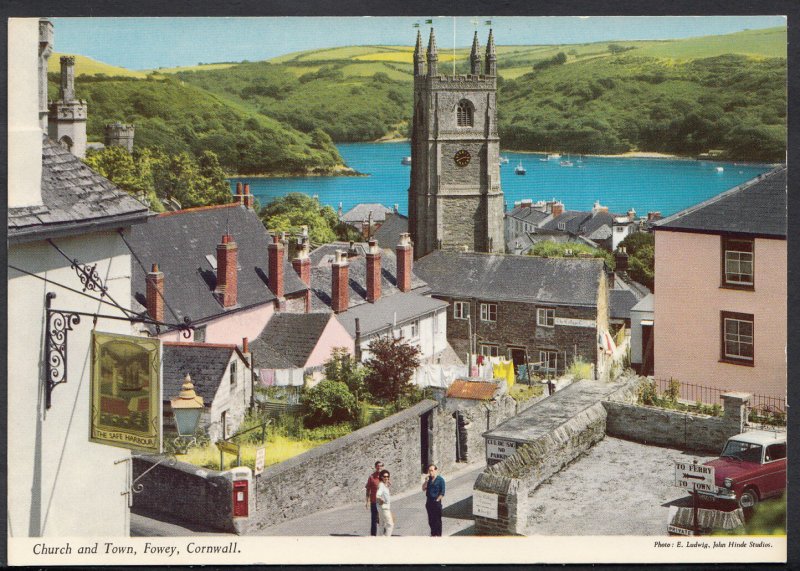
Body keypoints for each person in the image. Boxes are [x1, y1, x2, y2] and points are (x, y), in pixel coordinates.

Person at [422, 463, 445, 536]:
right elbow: (423, 489)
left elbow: (442, 493)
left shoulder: (440, 480)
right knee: (431, 521)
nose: (430, 472)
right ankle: (433, 534)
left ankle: (438, 536)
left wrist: (437, 501)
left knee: (437, 521)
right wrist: (426, 481)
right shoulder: (429, 480)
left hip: (436, 503)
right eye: (429, 471)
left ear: (436, 470)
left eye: (432, 470)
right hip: (429, 503)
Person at [365, 460, 383, 536]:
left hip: (382, 502)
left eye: (380, 466)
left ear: (382, 467)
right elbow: (368, 489)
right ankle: (373, 536)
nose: (379, 467)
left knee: (383, 519)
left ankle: (384, 535)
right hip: (374, 501)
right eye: (378, 466)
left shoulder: (384, 477)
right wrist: (367, 501)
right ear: (375, 467)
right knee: (373, 520)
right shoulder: (371, 477)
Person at [376, 469, 394, 536]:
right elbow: (378, 495)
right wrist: (381, 500)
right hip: (384, 508)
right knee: (390, 524)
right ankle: (387, 538)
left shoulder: (384, 485)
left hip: (381, 507)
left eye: (387, 476)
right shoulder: (381, 485)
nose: (386, 478)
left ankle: (380, 539)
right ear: (381, 477)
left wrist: (388, 485)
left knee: (381, 524)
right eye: (384, 476)